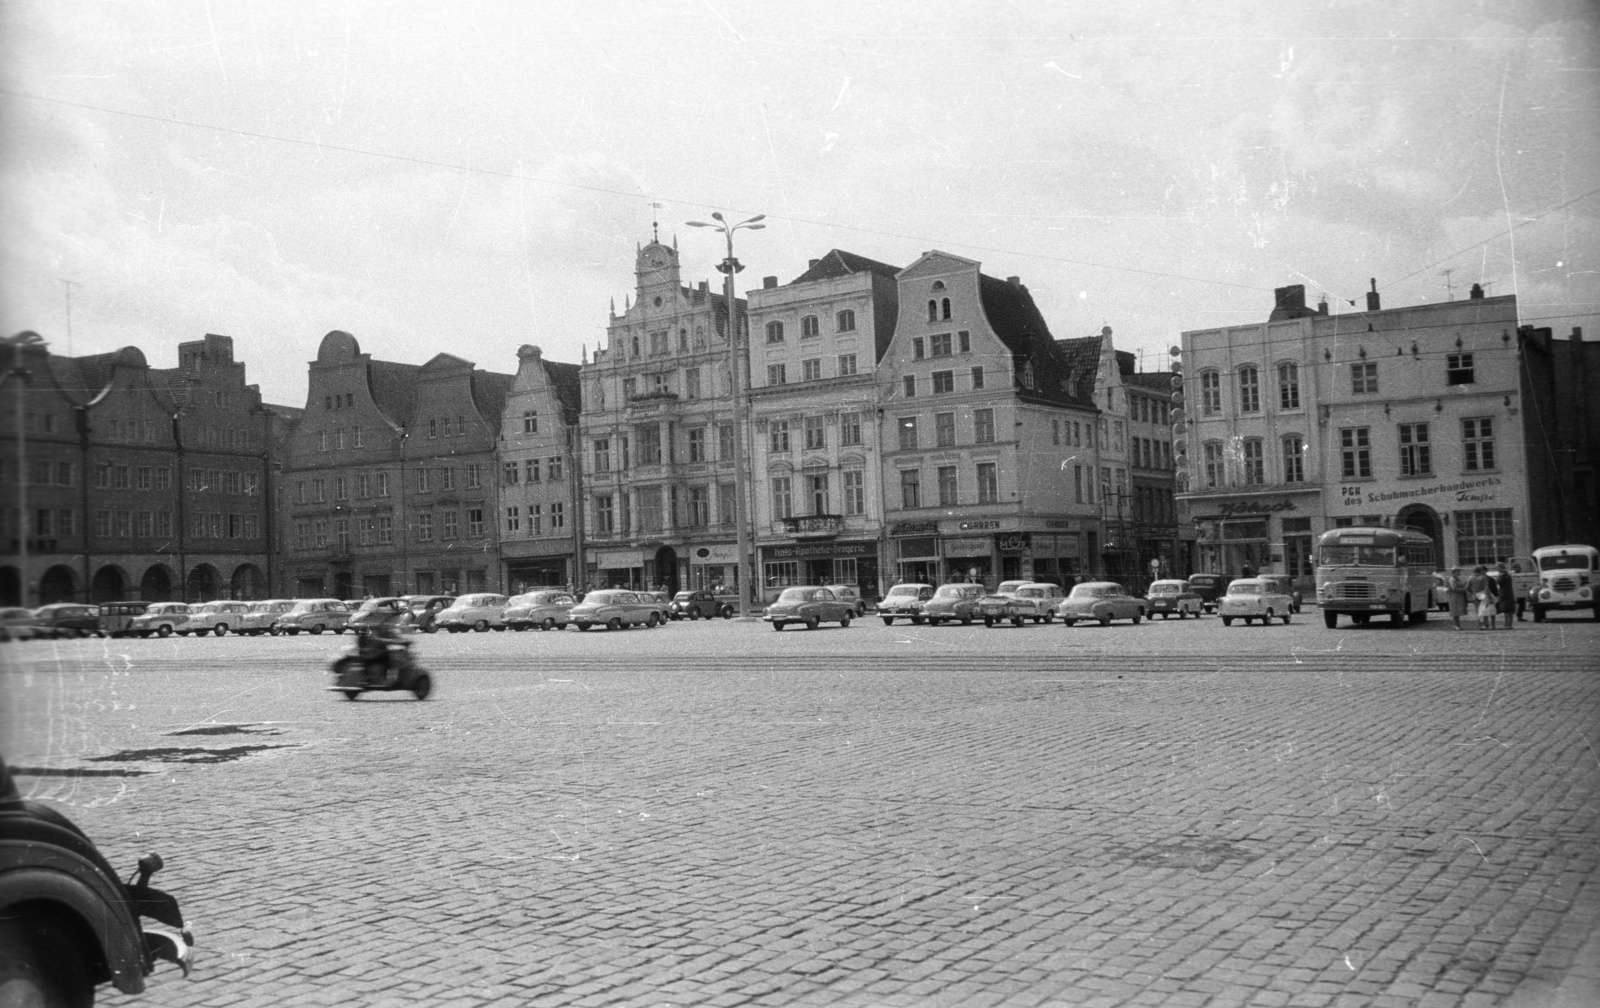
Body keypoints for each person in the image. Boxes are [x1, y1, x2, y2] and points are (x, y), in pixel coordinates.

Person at [1465, 565, 1496, 630]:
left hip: (1475, 595)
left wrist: (1472, 592)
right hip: (1482, 595)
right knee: (1484, 610)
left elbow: (1467, 587)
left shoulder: (1470, 578)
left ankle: (1480, 625)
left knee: (1477, 610)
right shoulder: (1483, 577)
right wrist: (1489, 596)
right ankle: (1486, 625)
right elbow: (1486, 588)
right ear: (1480, 571)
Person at [1493, 562, 1517, 629]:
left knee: (1507, 609)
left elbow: (1499, 582)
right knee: (1508, 610)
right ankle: (1508, 624)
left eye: (1497, 567)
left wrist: (1498, 577)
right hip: (1507, 592)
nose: (1496, 569)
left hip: (1505, 593)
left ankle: (1508, 624)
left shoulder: (1504, 575)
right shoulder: (1506, 574)